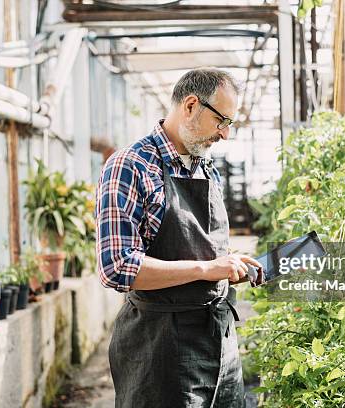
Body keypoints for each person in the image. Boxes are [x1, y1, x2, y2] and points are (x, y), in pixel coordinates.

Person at [95, 68, 264, 408]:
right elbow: (117, 267)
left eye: (230, 124)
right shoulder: (131, 166)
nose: (225, 135)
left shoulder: (205, 166)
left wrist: (231, 266)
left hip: (218, 339)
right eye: (222, 122)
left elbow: (204, 247)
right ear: (190, 106)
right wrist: (205, 270)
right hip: (161, 348)